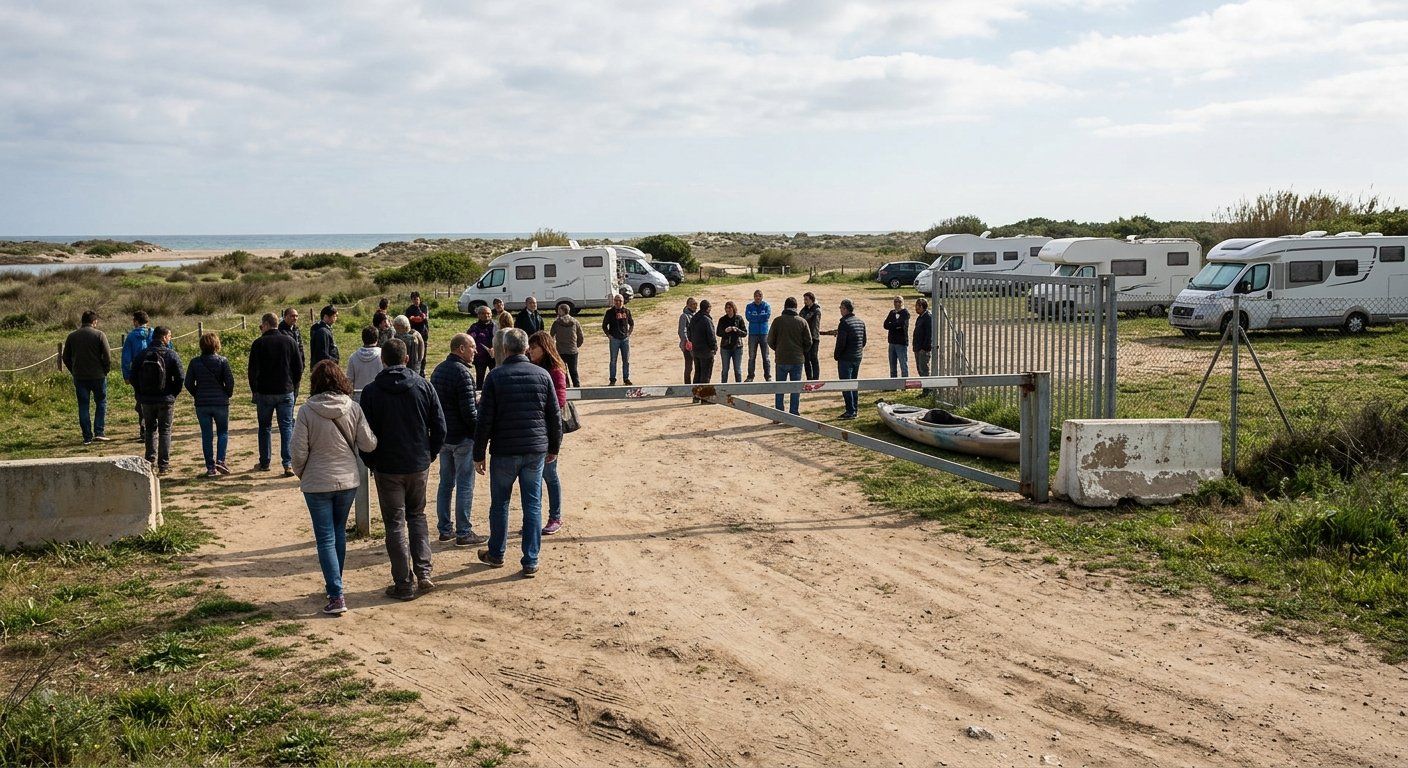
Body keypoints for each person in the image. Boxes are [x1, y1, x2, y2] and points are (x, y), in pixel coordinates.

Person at [359, 339, 446, 601]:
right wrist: (428, 455)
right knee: (417, 516)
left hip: (387, 467)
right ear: (407, 359)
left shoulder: (372, 392)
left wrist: (371, 461)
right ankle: (424, 572)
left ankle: (403, 582)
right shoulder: (423, 386)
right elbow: (440, 427)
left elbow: (364, 435)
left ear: (382, 361)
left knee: (395, 524)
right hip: (417, 464)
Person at [290, 360, 377, 616]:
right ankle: (334, 583)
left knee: (325, 536)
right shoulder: (353, 408)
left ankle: (336, 592)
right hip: (347, 480)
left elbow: (297, 451)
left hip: (317, 481)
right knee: (338, 532)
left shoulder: (306, 411)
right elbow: (369, 444)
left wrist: (301, 472)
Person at [473, 329, 562, 577]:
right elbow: (554, 415)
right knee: (532, 504)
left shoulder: (495, 377)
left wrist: (478, 453)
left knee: (500, 504)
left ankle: (497, 553)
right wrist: (554, 447)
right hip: (535, 450)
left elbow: (484, 420)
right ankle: (531, 560)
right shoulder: (542, 375)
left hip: (504, 450)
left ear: (505, 349)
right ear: (525, 348)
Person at [430, 333, 485, 546]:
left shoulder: (438, 370)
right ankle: (464, 532)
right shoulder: (463, 374)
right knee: (464, 485)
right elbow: (469, 415)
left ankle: (445, 529)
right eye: (472, 347)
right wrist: (479, 436)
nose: (476, 351)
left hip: (444, 437)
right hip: (462, 438)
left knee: (445, 483)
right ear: (461, 349)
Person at [248, 312, 304, 475]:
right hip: (285, 390)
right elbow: (298, 367)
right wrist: (293, 384)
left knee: (264, 427)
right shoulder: (290, 341)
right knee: (286, 427)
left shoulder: (258, 344)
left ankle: (265, 462)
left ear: (265, 325)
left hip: (265, 392)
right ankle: (287, 463)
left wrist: (255, 390)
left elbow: (252, 371)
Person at [527, 330, 568, 535]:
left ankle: (555, 516)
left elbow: (559, 402)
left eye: (533, 347)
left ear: (544, 348)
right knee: (534, 477)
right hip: (534, 430)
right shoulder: (532, 367)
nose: (530, 351)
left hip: (550, 429)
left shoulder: (556, 370)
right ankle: (535, 518)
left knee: (549, 475)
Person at [131, 326, 184, 473]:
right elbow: (180, 377)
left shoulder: (142, 355)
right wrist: (173, 393)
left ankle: (150, 460)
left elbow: (133, 377)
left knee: (149, 430)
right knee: (165, 430)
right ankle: (164, 465)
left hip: (146, 399)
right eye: (169, 336)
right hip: (166, 398)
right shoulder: (171, 354)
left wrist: (140, 393)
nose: (170, 339)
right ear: (164, 337)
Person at [185, 332, 235, 476]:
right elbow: (230, 381)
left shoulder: (195, 362)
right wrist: (226, 394)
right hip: (220, 402)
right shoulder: (222, 361)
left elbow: (188, 383)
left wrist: (197, 393)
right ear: (216, 345)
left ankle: (210, 467)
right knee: (223, 432)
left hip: (202, 404)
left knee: (207, 435)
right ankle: (221, 460)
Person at [63, 310, 111, 445]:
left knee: (83, 405)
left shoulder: (72, 336)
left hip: (80, 376)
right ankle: (99, 431)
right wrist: (105, 370)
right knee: (101, 402)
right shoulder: (100, 335)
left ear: (82, 321)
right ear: (94, 322)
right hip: (98, 375)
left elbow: (65, 357)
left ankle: (87, 436)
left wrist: (73, 370)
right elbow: (107, 356)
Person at [767, 297, 811, 415]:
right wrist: (801, 351)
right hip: (797, 359)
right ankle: (794, 412)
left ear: (785, 306)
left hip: (781, 359)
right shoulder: (802, 322)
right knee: (795, 388)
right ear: (796, 307)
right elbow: (809, 341)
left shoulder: (777, 321)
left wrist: (777, 349)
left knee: (780, 388)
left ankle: (779, 413)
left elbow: (770, 340)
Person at [831, 299, 867, 419]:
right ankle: (854, 408)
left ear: (845, 309)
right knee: (853, 384)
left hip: (846, 358)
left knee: (846, 384)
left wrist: (836, 355)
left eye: (841, 308)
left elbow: (841, 343)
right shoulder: (860, 322)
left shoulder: (844, 323)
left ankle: (850, 410)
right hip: (857, 356)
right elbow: (864, 341)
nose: (840, 310)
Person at [121, 310, 152, 442]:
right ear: (147, 322)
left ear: (136, 322)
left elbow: (126, 359)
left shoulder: (131, 337)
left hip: (138, 374)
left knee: (141, 401)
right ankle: (155, 429)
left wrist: (126, 375)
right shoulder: (155, 333)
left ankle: (144, 430)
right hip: (157, 373)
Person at [601, 293, 634, 385]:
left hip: (624, 339)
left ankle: (626, 378)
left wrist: (629, 333)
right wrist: (609, 335)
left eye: (620, 301)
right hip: (614, 339)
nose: (618, 302)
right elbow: (604, 326)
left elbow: (631, 323)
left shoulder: (627, 311)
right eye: (616, 300)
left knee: (626, 360)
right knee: (613, 360)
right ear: (614, 301)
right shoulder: (609, 312)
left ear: (623, 302)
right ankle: (612, 379)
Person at [550, 303, 585, 388]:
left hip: (560, 350)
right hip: (572, 350)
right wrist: (576, 345)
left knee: (562, 370)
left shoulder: (556, 323)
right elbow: (580, 336)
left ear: (562, 311)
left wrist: (554, 346)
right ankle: (577, 387)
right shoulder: (575, 322)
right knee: (574, 370)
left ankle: (566, 387)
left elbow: (551, 335)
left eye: (559, 310)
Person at [687, 299, 716, 398]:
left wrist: (694, 344)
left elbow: (689, 332)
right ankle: (705, 398)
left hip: (696, 351)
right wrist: (714, 348)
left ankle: (696, 396)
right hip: (706, 351)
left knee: (697, 374)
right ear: (708, 308)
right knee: (705, 375)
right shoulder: (706, 319)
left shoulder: (694, 318)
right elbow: (711, 336)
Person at [745, 289, 772, 382]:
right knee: (752, 356)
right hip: (753, 334)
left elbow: (767, 317)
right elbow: (749, 318)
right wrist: (760, 317)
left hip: (764, 333)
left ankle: (768, 376)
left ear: (762, 296)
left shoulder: (766, 306)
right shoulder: (749, 306)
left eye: (759, 296)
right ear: (754, 297)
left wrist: (756, 318)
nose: (758, 297)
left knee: (766, 356)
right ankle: (750, 376)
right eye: (756, 296)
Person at [346, 327, 385, 392]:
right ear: (377, 339)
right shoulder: (383, 355)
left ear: (362, 339)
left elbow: (349, 381)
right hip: (378, 395)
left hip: (359, 397)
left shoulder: (353, 357)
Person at [467, 306, 497, 389]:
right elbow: (469, 340)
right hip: (480, 358)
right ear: (478, 315)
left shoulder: (495, 326)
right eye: (484, 313)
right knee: (480, 378)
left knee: (495, 376)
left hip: (493, 357)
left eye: (488, 313)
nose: (486, 315)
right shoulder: (474, 327)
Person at [716, 301, 746, 383]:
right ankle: (723, 389)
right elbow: (718, 333)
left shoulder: (739, 318)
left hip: (737, 347)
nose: (728, 310)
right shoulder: (722, 319)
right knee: (725, 370)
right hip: (725, 348)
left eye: (730, 307)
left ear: (733, 308)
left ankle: (739, 389)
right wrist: (725, 331)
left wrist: (737, 330)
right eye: (726, 308)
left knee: (738, 370)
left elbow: (745, 333)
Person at [883, 296, 911, 377]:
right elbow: (885, 325)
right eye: (895, 302)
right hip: (892, 342)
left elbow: (902, 325)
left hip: (901, 342)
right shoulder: (892, 312)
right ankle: (893, 384)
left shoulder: (905, 313)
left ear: (902, 303)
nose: (897, 304)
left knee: (903, 364)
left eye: (899, 302)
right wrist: (895, 326)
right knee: (892, 365)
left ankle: (904, 384)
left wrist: (892, 325)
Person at [800, 292, 822, 381]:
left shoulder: (816, 311)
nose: (805, 301)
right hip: (805, 338)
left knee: (814, 358)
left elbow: (815, 326)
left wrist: (812, 337)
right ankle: (809, 378)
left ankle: (815, 378)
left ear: (811, 300)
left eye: (807, 299)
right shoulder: (804, 310)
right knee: (806, 359)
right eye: (804, 299)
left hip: (814, 338)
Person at [677, 297, 697, 384]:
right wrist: (687, 341)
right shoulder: (684, 316)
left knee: (697, 366)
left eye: (696, 304)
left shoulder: (695, 315)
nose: (695, 306)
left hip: (696, 344)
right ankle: (687, 385)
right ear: (688, 305)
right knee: (689, 366)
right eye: (693, 304)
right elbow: (682, 330)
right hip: (688, 346)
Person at [912, 297, 933, 379]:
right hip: (917, 348)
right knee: (920, 369)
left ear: (922, 307)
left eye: (917, 306)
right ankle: (924, 387)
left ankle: (928, 388)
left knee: (924, 369)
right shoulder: (920, 317)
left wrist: (924, 348)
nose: (916, 309)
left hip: (923, 349)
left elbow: (929, 334)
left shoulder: (928, 317)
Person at [492, 299, 514, 366]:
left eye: (500, 304)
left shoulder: (506, 314)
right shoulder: (493, 315)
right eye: (497, 304)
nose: (499, 306)